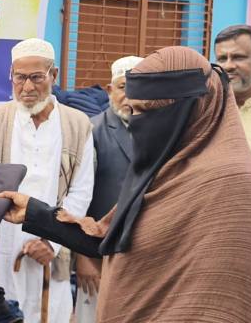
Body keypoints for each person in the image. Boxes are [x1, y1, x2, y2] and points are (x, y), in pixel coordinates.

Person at [0, 46, 251, 322]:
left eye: (144, 111)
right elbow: (115, 238)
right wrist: (34, 212)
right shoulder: (166, 165)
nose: (136, 122)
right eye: (132, 110)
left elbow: (215, 304)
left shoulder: (232, 186)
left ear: (186, 110)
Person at [0, 38, 94, 322]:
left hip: (52, 250)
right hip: (1, 247)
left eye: (36, 77)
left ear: (53, 75)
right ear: (11, 75)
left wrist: (52, 242)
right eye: (20, 78)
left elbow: (81, 191)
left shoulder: (78, 124)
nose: (27, 87)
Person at [75, 55, 142, 323]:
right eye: (124, 87)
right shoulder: (91, 131)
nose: (130, 95)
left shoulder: (162, 132)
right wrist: (82, 255)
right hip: (99, 254)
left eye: (139, 87)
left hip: (144, 255)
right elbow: (79, 198)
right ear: (110, 90)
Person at [214, 24, 251, 311]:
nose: (228, 66)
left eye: (238, 57)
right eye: (221, 59)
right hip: (211, 253)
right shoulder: (204, 115)